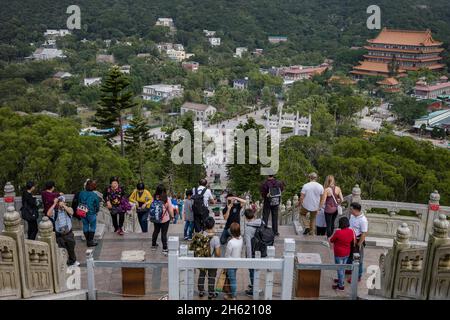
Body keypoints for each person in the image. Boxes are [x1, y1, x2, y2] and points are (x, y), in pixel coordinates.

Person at [47, 196, 79, 266]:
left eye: (62, 202)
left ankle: (73, 261)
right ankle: (63, 263)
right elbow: (48, 214)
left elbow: (71, 212)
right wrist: (54, 204)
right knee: (61, 251)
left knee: (71, 249)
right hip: (59, 235)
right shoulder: (55, 212)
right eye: (59, 202)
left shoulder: (68, 209)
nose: (60, 203)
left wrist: (63, 205)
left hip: (69, 234)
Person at [197, 217, 221, 299]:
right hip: (212, 260)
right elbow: (218, 253)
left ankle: (201, 291)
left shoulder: (200, 235)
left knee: (202, 275)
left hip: (202, 259)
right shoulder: (216, 238)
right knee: (212, 276)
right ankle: (211, 293)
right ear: (213, 225)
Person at [329, 217, 355, 291]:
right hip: (347, 252)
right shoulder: (351, 231)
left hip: (339, 253)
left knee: (340, 269)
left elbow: (331, 240)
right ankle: (341, 280)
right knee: (343, 268)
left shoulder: (338, 232)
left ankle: (341, 286)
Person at [243, 208, 264, 297]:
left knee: (252, 270)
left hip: (253, 252)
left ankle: (254, 290)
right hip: (261, 249)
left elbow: (248, 245)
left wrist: (248, 258)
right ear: (254, 215)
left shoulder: (248, 228)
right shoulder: (261, 223)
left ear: (245, 218)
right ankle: (254, 285)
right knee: (256, 269)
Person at [347, 202, 368, 283]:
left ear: (356, 210)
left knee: (358, 259)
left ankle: (357, 276)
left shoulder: (363, 220)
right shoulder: (352, 216)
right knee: (349, 255)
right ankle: (349, 269)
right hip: (351, 239)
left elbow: (364, 233)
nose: (350, 210)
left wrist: (359, 244)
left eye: (351, 209)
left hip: (358, 240)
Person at [151, 184, 174, 255]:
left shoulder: (154, 197)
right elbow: (170, 208)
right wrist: (172, 216)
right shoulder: (166, 198)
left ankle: (153, 244)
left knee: (156, 231)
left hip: (156, 219)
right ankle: (164, 248)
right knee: (164, 233)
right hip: (165, 219)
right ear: (164, 191)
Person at [78, 180, 100, 247]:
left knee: (85, 225)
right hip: (91, 212)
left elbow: (79, 201)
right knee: (93, 226)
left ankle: (88, 241)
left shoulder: (81, 193)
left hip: (82, 211)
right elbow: (97, 205)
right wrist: (96, 211)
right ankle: (90, 241)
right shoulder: (94, 195)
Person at [224, 222, 243, 300]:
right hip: (237, 261)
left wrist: (224, 266)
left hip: (230, 263)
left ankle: (233, 296)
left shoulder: (231, 242)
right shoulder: (241, 239)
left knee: (232, 280)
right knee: (233, 278)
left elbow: (227, 255)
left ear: (231, 232)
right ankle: (230, 294)